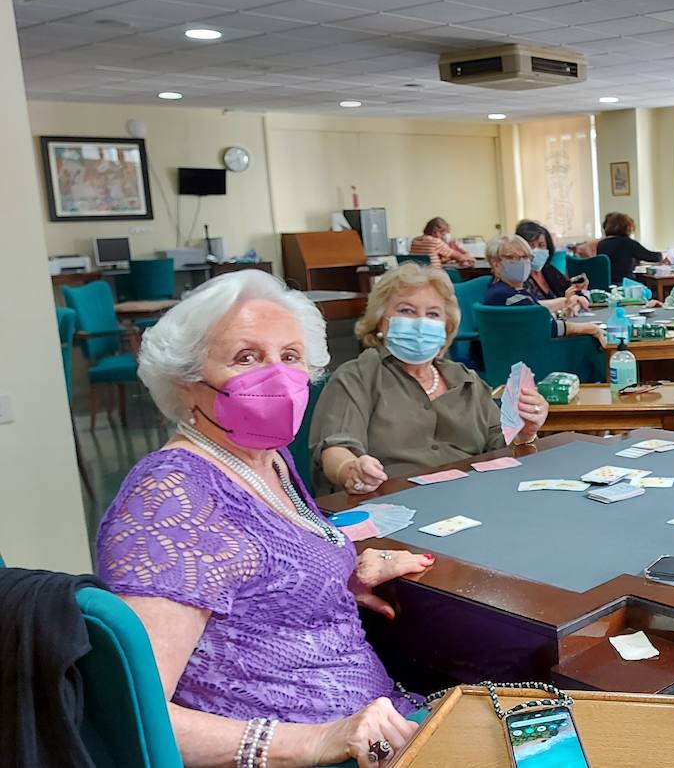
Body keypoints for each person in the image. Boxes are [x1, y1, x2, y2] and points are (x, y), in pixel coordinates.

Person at [98, 270, 435, 766]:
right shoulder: (171, 497)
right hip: (315, 753)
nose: (277, 375)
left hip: (380, 722)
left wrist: (340, 576)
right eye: (246, 357)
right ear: (186, 385)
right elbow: (134, 711)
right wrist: (319, 742)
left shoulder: (268, 458)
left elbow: (259, 570)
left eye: (290, 357)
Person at [312, 263, 551, 494]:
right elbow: (336, 447)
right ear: (379, 321)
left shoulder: (466, 380)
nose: (420, 323)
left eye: (433, 314)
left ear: (446, 327)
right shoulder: (358, 376)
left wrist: (524, 432)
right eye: (406, 310)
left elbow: (500, 444)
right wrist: (350, 470)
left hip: (473, 500)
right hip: (390, 501)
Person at [482, 235, 602, 339]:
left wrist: (566, 302)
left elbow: (536, 309)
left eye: (526, 257)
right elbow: (549, 327)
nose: (522, 262)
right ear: (495, 263)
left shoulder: (507, 289)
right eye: (512, 257)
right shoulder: (506, 295)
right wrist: (591, 329)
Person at [514, 219, 580, 302]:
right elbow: (531, 305)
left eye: (541, 245)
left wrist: (579, 288)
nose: (536, 250)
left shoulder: (549, 270)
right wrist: (565, 302)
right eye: (531, 246)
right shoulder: (518, 277)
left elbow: (572, 290)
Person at [597, 212, 664, 281]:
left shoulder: (602, 243)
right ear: (627, 227)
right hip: (624, 282)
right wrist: (663, 255)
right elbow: (653, 257)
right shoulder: (627, 243)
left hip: (607, 283)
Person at [408, 217, 475, 268]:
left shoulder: (415, 240)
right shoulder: (435, 242)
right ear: (437, 231)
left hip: (419, 274)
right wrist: (467, 255)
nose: (443, 237)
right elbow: (458, 256)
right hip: (434, 275)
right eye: (443, 234)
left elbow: (426, 259)